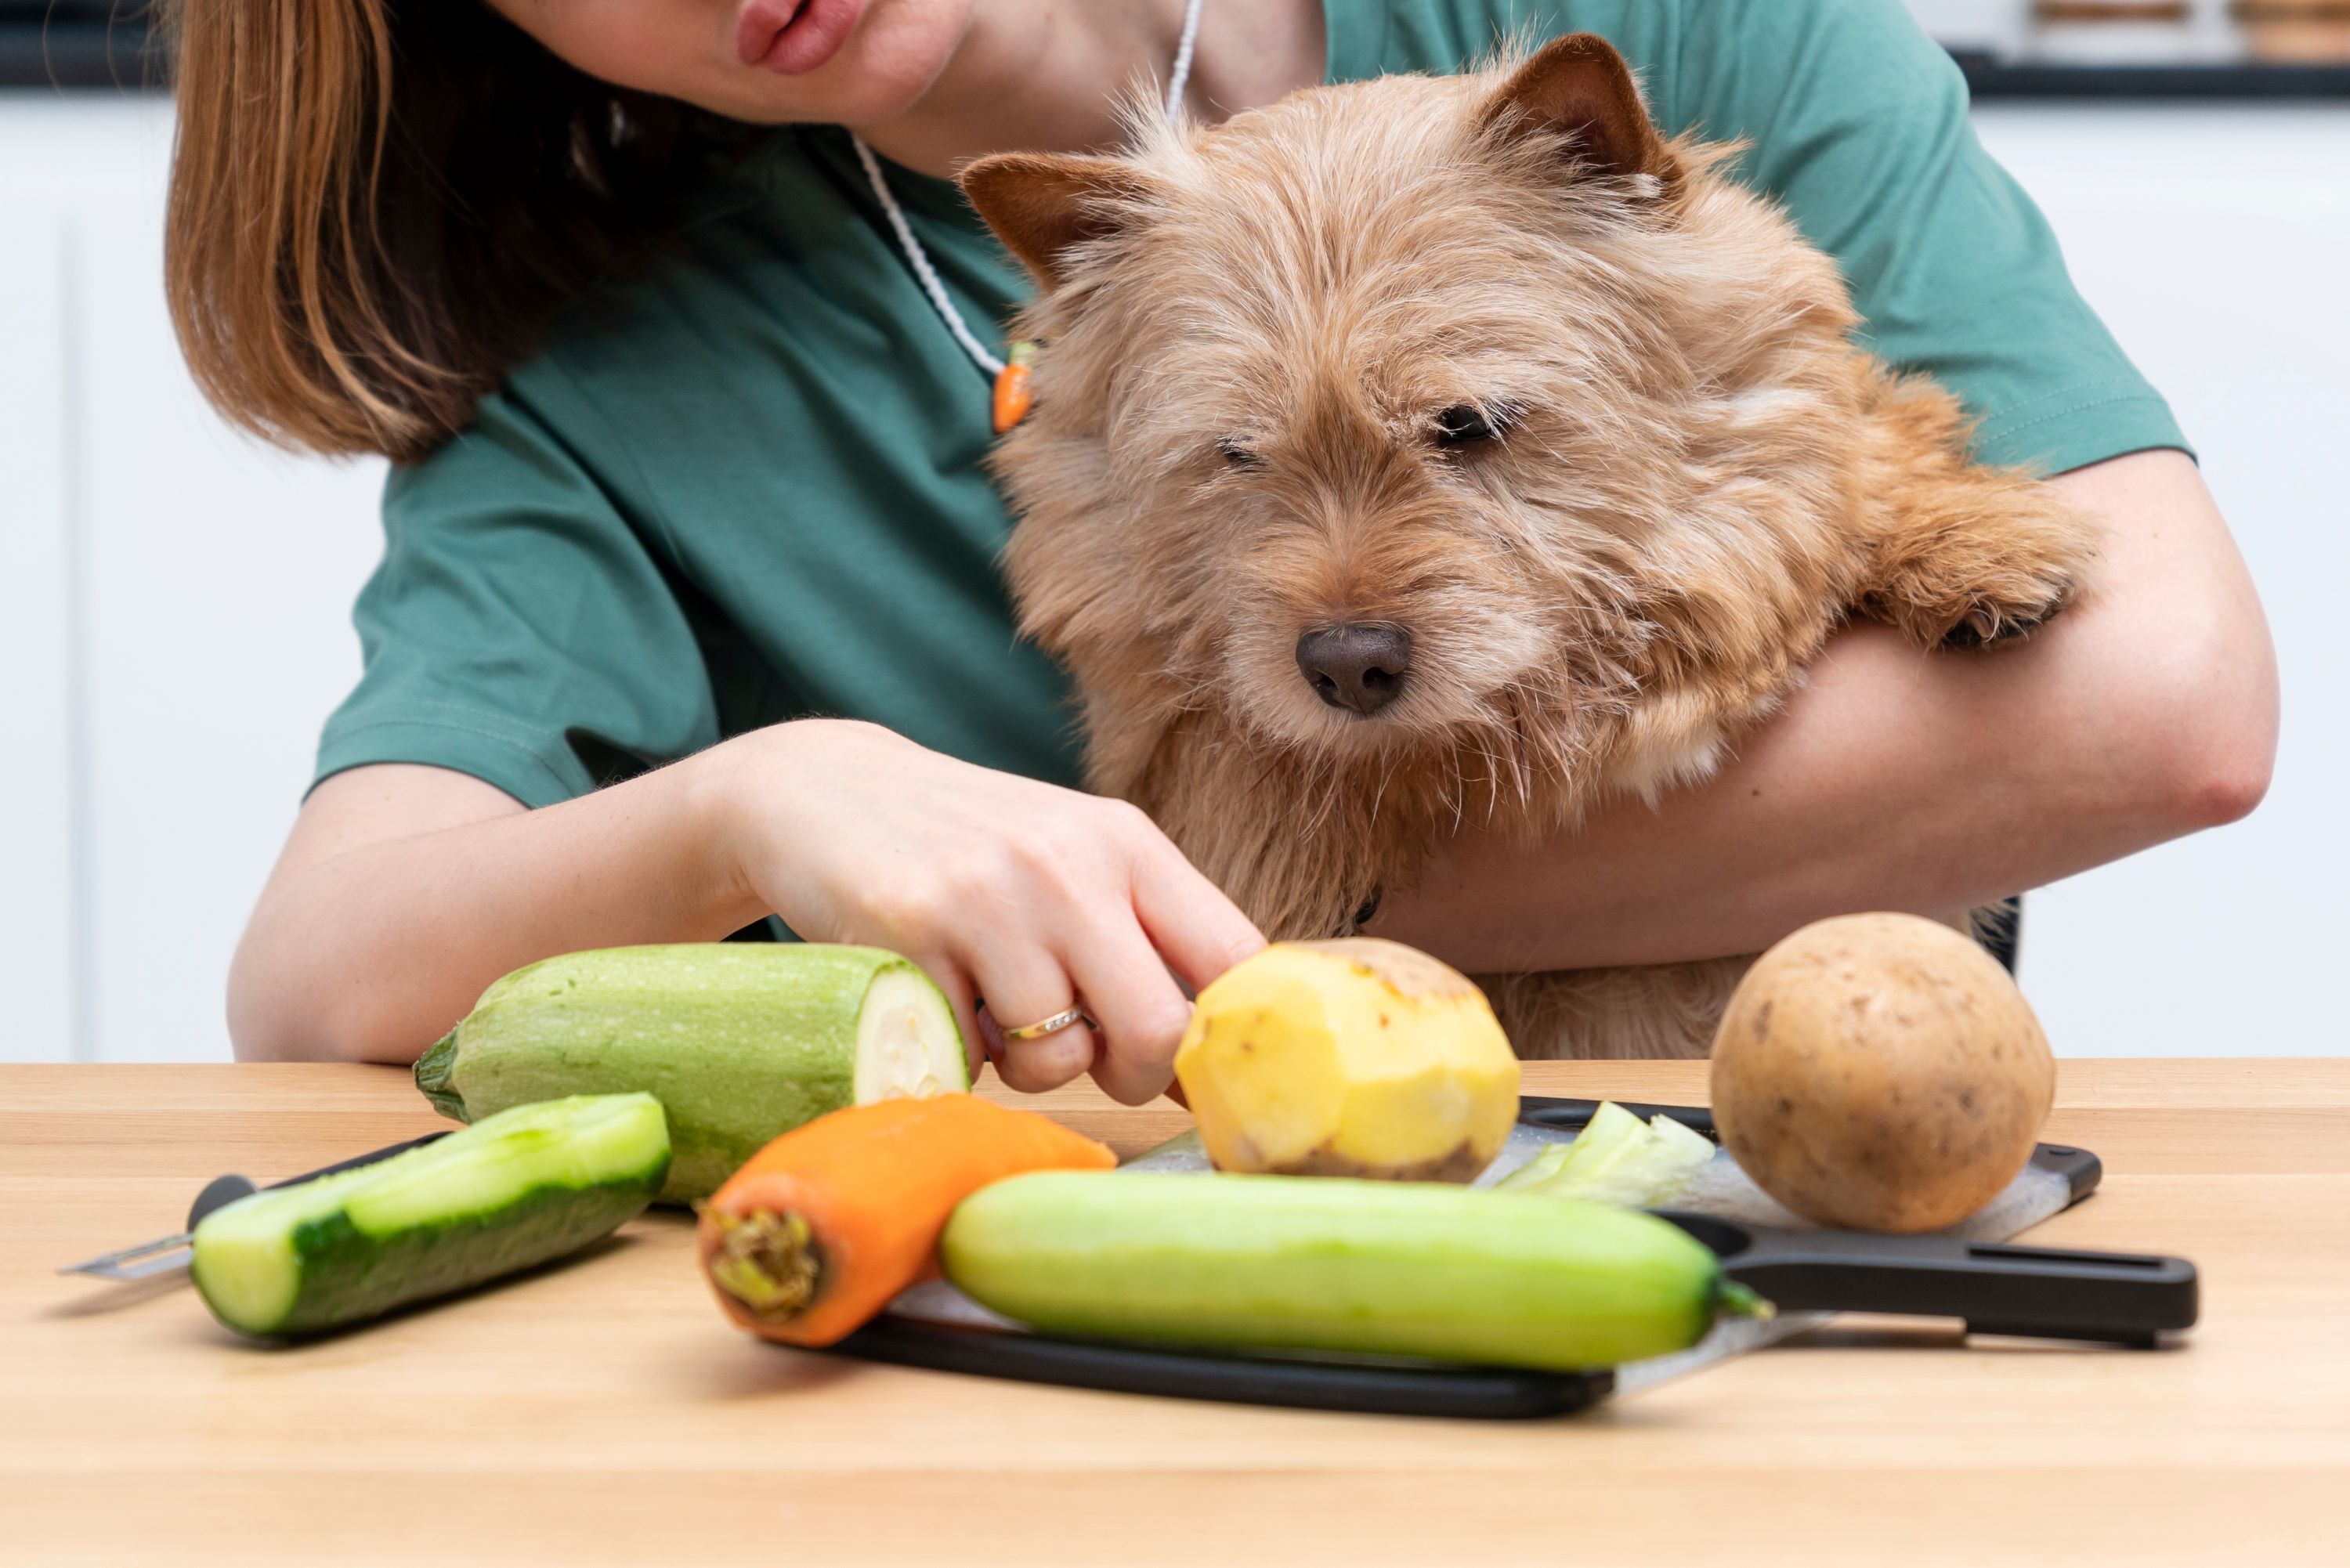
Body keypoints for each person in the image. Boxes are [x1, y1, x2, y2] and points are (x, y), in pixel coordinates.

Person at [165, 0, 2276, 1098]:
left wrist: (1237, 917)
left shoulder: (1656, 42)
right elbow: (322, 973)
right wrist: (761, 801)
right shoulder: (612, 374)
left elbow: (2160, 706)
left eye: (1463, 429)